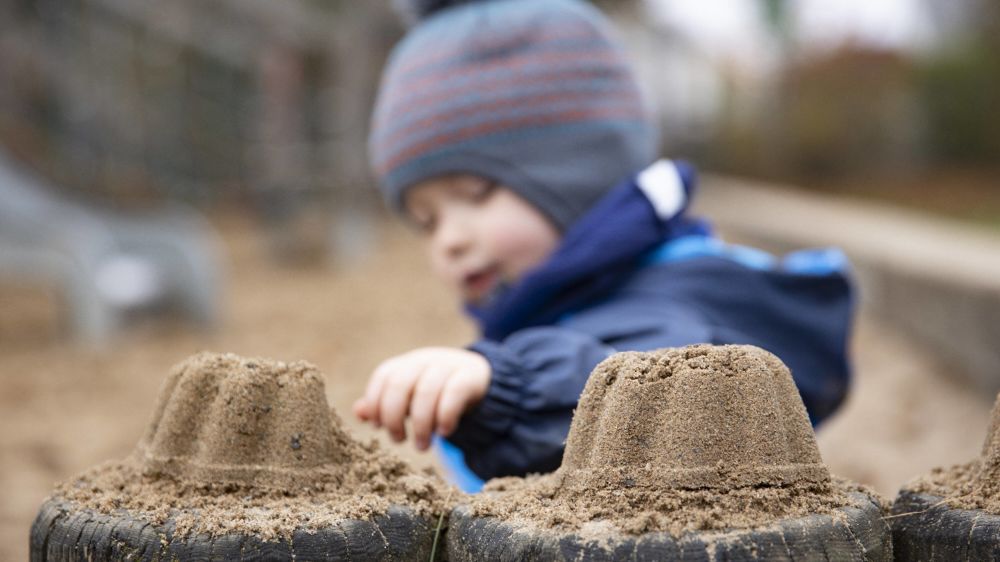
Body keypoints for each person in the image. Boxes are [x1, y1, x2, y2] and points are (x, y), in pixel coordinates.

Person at [353, 0, 854, 491]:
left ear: (579, 175)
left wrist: (507, 386)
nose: (450, 241)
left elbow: (649, 375)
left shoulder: (684, 292)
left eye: (476, 195)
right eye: (425, 222)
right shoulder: (555, 306)